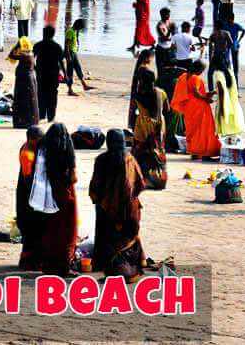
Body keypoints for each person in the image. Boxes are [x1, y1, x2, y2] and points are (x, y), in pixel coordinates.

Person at [89, 129, 148, 278]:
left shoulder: (101, 159)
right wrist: (130, 198)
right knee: (129, 235)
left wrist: (101, 200)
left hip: (106, 208)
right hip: (130, 209)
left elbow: (95, 186)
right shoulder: (130, 159)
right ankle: (137, 262)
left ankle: (108, 265)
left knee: (106, 235)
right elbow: (140, 183)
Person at [27, 122, 78, 276]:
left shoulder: (43, 152)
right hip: (64, 196)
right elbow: (73, 178)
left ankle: (48, 265)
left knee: (49, 231)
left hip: (47, 197)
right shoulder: (65, 155)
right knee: (67, 232)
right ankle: (64, 267)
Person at [129, 68, 168, 190]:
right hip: (159, 126)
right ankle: (158, 178)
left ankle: (141, 178)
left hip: (142, 126)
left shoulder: (138, 95)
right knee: (157, 150)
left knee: (140, 151)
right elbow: (167, 109)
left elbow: (132, 111)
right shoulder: (161, 93)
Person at [174, 61, 219, 160]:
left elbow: (194, 92)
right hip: (198, 106)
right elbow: (196, 93)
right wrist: (206, 99)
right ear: (199, 69)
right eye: (202, 70)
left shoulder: (185, 76)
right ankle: (205, 153)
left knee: (193, 130)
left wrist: (209, 94)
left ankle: (195, 152)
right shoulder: (195, 78)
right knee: (203, 130)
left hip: (189, 107)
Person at [15, 126, 45, 269]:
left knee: (33, 231)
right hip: (27, 196)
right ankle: (29, 262)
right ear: (31, 139)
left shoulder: (30, 148)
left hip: (28, 194)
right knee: (31, 230)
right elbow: (28, 179)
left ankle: (31, 261)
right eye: (39, 140)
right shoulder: (27, 154)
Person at [7, 37, 39, 127]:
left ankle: (23, 122)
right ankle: (30, 120)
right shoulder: (31, 54)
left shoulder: (24, 55)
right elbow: (35, 67)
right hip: (29, 79)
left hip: (24, 80)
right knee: (29, 100)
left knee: (23, 100)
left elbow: (10, 55)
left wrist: (16, 46)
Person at [34, 26, 64, 123]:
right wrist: (65, 74)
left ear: (44, 33)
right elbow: (61, 62)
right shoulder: (57, 46)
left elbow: (31, 58)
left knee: (41, 94)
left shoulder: (38, 45)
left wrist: (35, 69)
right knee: (52, 96)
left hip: (40, 74)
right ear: (53, 34)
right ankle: (51, 116)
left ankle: (42, 115)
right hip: (53, 75)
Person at [63, 18, 92, 94]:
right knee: (70, 71)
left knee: (78, 68)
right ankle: (70, 90)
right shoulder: (70, 32)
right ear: (78, 25)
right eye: (81, 27)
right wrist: (68, 55)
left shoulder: (75, 31)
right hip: (70, 53)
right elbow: (66, 45)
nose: (81, 29)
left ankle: (84, 85)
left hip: (74, 52)